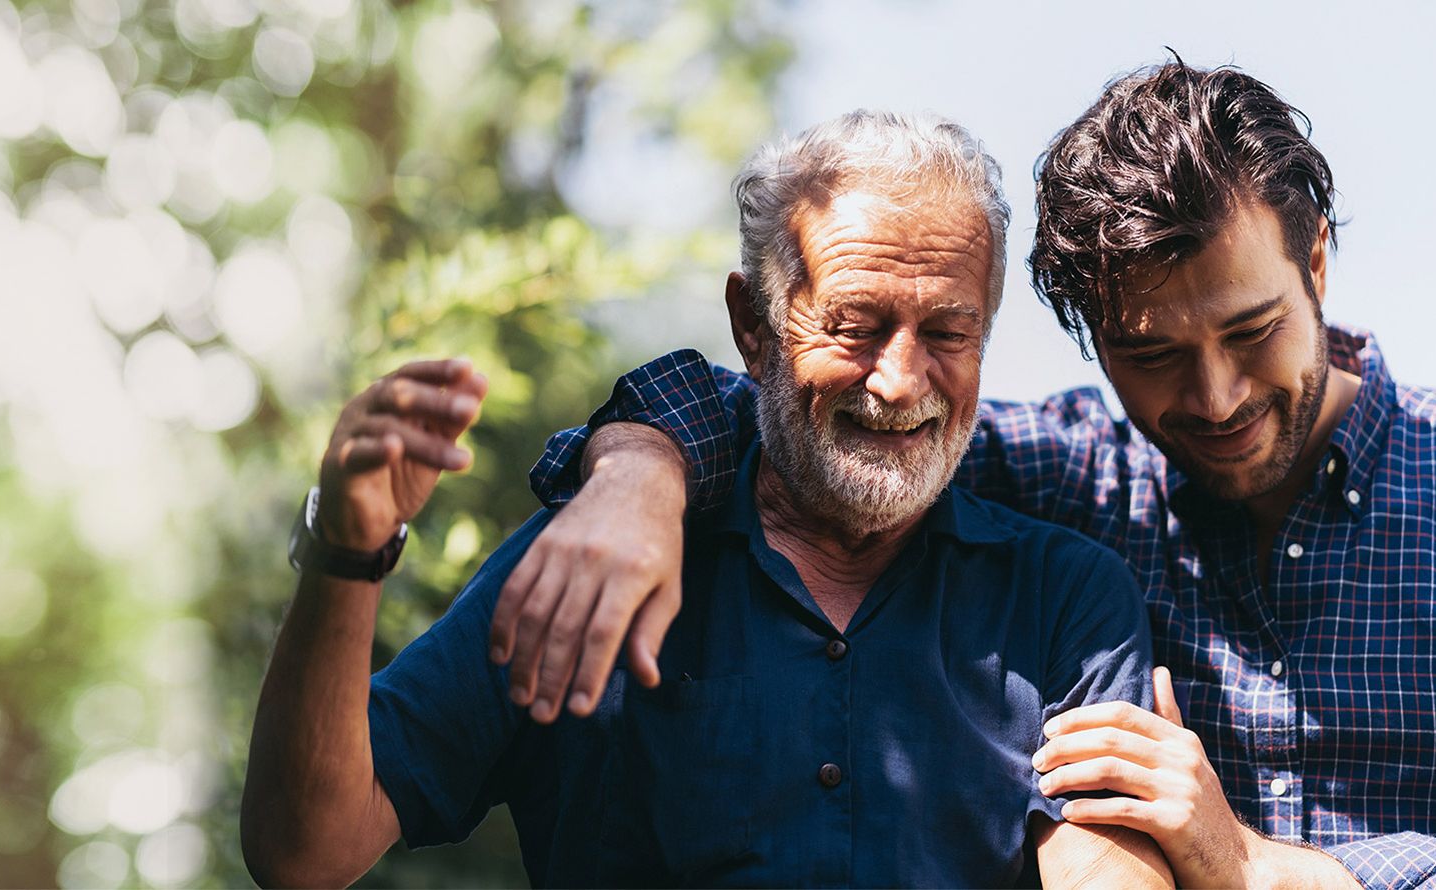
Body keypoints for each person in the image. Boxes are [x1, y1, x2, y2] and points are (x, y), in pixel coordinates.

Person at [501, 59, 1436, 888]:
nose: (1211, 398)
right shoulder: (1065, 480)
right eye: (1152, 355)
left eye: (1252, 330)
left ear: (1318, 258)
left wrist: (1258, 868)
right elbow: (801, 407)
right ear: (1089, 336)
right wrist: (636, 472)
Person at [242, 110, 1176, 888]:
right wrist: (347, 550)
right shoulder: (589, 558)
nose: (899, 380)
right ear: (752, 325)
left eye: (948, 331)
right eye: (854, 326)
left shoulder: (1066, 598)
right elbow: (305, 849)